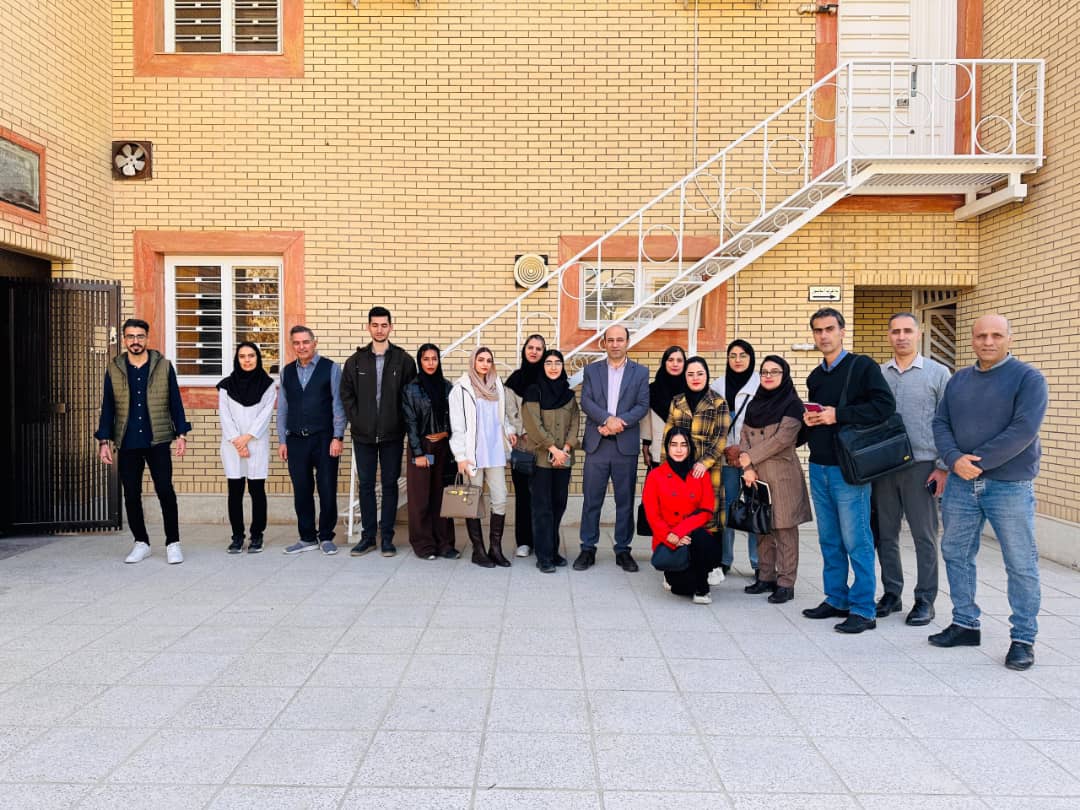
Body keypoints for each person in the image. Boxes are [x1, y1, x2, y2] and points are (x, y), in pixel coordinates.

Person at [931, 314, 1048, 671]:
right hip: (961, 483)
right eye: (981, 335)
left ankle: (1023, 639)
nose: (988, 341)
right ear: (972, 339)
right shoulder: (959, 380)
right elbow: (941, 422)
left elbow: (1023, 430)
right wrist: (953, 459)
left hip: (1009, 485)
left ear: (1009, 338)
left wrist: (975, 462)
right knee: (956, 552)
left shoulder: (1028, 379)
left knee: (1020, 562)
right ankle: (965, 623)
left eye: (996, 335)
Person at [802, 307, 896, 633]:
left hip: (849, 470)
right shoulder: (815, 376)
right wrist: (812, 419)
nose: (824, 335)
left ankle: (863, 609)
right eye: (818, 330)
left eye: (829, 329)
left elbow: (884, 407)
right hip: (819, 466)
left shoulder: (862, 367)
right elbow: (823, 418)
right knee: (829, 539)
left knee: (857, 540)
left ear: (842, 331)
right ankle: (837, 598)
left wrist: (837, 415)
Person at [871, 313, 951, 625]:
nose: (901, 336)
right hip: (884, 467)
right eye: (895, 331)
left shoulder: (938, 373)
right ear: (888, 336)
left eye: (907, 331)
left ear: (918, 334)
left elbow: (948, 420)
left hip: (922, 466)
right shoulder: (879, 374)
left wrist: (942, 467)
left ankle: (925, 600)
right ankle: (892, 594)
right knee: (886, 534)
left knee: (924, 536)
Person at [96, 318, 191, 564]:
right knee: (131, 494)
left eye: (139, 336)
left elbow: (175, 402)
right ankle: (141, 543)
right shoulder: (114, 368)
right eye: (130, 336)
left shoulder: (163, 366)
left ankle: (173, 543)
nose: (135, 341)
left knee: (165, 491)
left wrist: (181, 434)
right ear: (124, 339)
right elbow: (108, 406)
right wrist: (103, 441)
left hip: (157, 439)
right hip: (127, 441)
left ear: (147, 338)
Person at [341, 306, 417, 558]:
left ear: (391, 327)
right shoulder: (356, 361)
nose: (380, 329)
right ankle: (367, 537)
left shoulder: (403, 360)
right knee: (365, 485)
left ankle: (387, 538)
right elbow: (346, 395)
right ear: (368, 327)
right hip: (363, 435)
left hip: (392, 435)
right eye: (375, 325)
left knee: (389, 485)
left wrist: (401, 424)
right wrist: (357, 420)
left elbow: (410, 397)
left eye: (384, 325)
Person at [738, 356, 812, 603]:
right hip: (756, 476)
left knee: (784, 529)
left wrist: (748, 457)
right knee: (762, 528)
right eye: (764, 372)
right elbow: (744, 435)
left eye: (774, 371)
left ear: (785, 374)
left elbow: (782, 440)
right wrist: (747, 466)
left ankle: (786, 583)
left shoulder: (792, 404)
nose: (768, 376)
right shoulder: (754, 403)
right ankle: (766, 577)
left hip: (782, 476)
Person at [576, 324, 651, 572]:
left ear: (627, 342)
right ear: (604, 343)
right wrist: (608, 420)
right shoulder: (592, 370)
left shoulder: (640, 372)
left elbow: (642, 405)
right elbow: (586, 401)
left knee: (625, 501)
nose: (615, 344)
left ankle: (623, 550)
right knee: (591, 500)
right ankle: (588, 548)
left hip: (624, 446)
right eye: (611, 340)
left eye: (620, 339)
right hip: (597, 444)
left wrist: (618, 423)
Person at [278, 325, 346, 555]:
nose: (301, 346)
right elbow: (283, 409)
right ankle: (307, 537)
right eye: (296, 343)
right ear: (292, 345)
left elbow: (338, 405)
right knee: (302, 490)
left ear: (314, 343)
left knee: (327, 488)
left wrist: (338, 436)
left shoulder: (331, 368)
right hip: (296, 440)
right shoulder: (286, 372)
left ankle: (326, 536)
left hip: (324, 438)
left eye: (305, 342)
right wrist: (282, 440)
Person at [449, 347, 517, 568]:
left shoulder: (497, 385)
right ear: (473, 362)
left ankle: (495, 549)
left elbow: (501, 417)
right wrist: (460, 456)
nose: (485, 364)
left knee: (500, 497)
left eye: (489, 360)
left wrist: (509, 431)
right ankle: (478, 550)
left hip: (495, 451)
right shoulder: (461, 389)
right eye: (481, 360)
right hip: (473, 455)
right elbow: (457, 426)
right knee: (473, 501)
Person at [664, 357, 730, 575]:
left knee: (710, 517)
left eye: (699, 373)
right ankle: (682, 565)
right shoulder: (677, 401)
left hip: (708, 470)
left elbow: (721, 438)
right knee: (682, 516)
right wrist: (666, 468)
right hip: (680, 469)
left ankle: (713, 568)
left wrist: (704, 462)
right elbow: (668, 435)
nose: (695, 378)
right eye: (690, 374)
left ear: (706, 375)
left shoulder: (718, 402)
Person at [642, 429, 721, 604]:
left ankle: (703, 589)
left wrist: (680, 532)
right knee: (680, 588)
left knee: (701, 538)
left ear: (690, 448)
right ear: (667, 447)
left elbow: (706, 510)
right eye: (674, 445)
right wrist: (670, 537)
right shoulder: (655, 475)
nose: (679, 450)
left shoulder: (700, 474)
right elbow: (652, 515)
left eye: (683, 445)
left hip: (693, 536)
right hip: (668, 540)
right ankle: (687, 575)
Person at [521, 349, 580, 573]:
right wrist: (553, 449)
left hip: (563, 458)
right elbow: (533, 424)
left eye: (557, 363)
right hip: (541, 460)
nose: (553, 367)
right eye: (548, 363)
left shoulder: (568, 394)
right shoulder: (533, 391)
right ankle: (544, 556)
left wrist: (566, 449)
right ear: (542, 366)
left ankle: (553, 550)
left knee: (558, 505)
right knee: (542, 508)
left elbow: (575, 422)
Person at [217, 342, 277, 554]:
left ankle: (257, 535)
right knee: (235, 492)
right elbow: (225, 416)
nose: (247, 360)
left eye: (251, 355)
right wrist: (237, 441)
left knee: (257, 490)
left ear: (258, 358)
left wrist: (247, 438)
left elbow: (265, 416)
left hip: (256, 444)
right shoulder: (226, 386)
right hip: (232, 446)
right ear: (237, 359)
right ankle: (237, 536)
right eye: (242, 356)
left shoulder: (268, 385)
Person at [402, 344, 457, 560]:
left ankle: (445, 544)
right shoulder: (411, 389)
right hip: (422, 447)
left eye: (434, 359)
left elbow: (456, 417)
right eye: (426, 359)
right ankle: (424, 545)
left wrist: (446, 433)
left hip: (443, 447)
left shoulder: (447, 387)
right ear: (420, 361)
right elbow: (410, 422)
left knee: (442, 497)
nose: (431, 363)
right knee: (420, 499)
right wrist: (418, 453)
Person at [712, 339, 760, 582]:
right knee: (727, 508)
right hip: (725, 458)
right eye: (733, 355)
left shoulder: (760, 384)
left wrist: (742, 452)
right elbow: (711, 422)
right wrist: (725, 450)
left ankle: (758, 562)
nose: (738, 360)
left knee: (755, 508)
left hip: (753, 459)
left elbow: (765, 424)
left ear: (751, 358)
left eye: (743, 355)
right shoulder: (718, 385)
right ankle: (725, 559)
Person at [504, 334, 547, 558]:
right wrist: (523, 431)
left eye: (539, 349)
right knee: (523, 494)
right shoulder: (514, 380)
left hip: (545, 446)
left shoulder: (550, 377)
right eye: (531, 347)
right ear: (524, 350)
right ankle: (524, 541)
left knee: (543, 495)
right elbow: (509, 412)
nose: (534, 352)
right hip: (522, 445)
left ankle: (542, 541)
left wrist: (542, 436)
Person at [640, 345, 687, 469]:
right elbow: (647, 421)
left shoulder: (691, 390)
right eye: (670, 360)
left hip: (686, 453)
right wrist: (645, 446)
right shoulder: (653, 389)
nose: (675, 364)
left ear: (685, 364)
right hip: (658, 450)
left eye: (679, 360)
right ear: (664, 362)